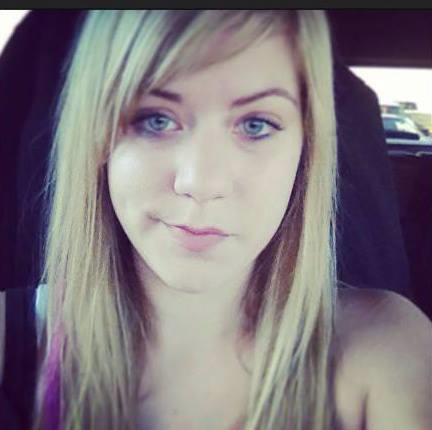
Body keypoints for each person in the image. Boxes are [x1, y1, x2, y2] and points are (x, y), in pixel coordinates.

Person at [1, 10, 430, 430]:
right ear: (97, 142)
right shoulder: (10, 345)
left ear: (306, 149)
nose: (201, 183)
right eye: (155, 120)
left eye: (256, 125)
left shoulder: (387, 350)